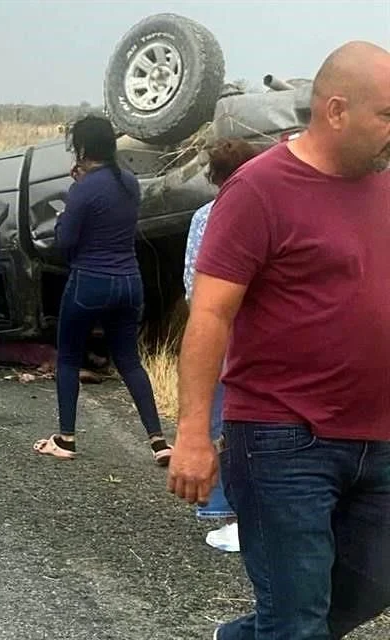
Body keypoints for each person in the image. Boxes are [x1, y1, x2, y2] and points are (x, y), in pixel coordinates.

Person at [168, 41, 390, 640]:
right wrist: (192, 433)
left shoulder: (385, 188)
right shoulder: (259, 190)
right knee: (297, 620)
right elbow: (209, 315)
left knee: (368, 587)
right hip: (282, 438)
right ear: (337, 110)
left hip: (379, 436)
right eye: (387, 116)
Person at [33, 115, 171, 465]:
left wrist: (70, 202)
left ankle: (65, 438)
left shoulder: (83, 188)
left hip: (89, 282)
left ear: (81, 149)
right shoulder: (129, 182)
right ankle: (158, 442)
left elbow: (65, 241)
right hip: (129, 282)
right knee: (129, 361)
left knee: (67, 356)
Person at [182, 138, 260, 553]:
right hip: (258, 336)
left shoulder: (204, 217)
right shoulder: (269, 212)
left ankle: (220, 507)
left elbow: (192, 282)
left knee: (217, 421)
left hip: (217, 332)